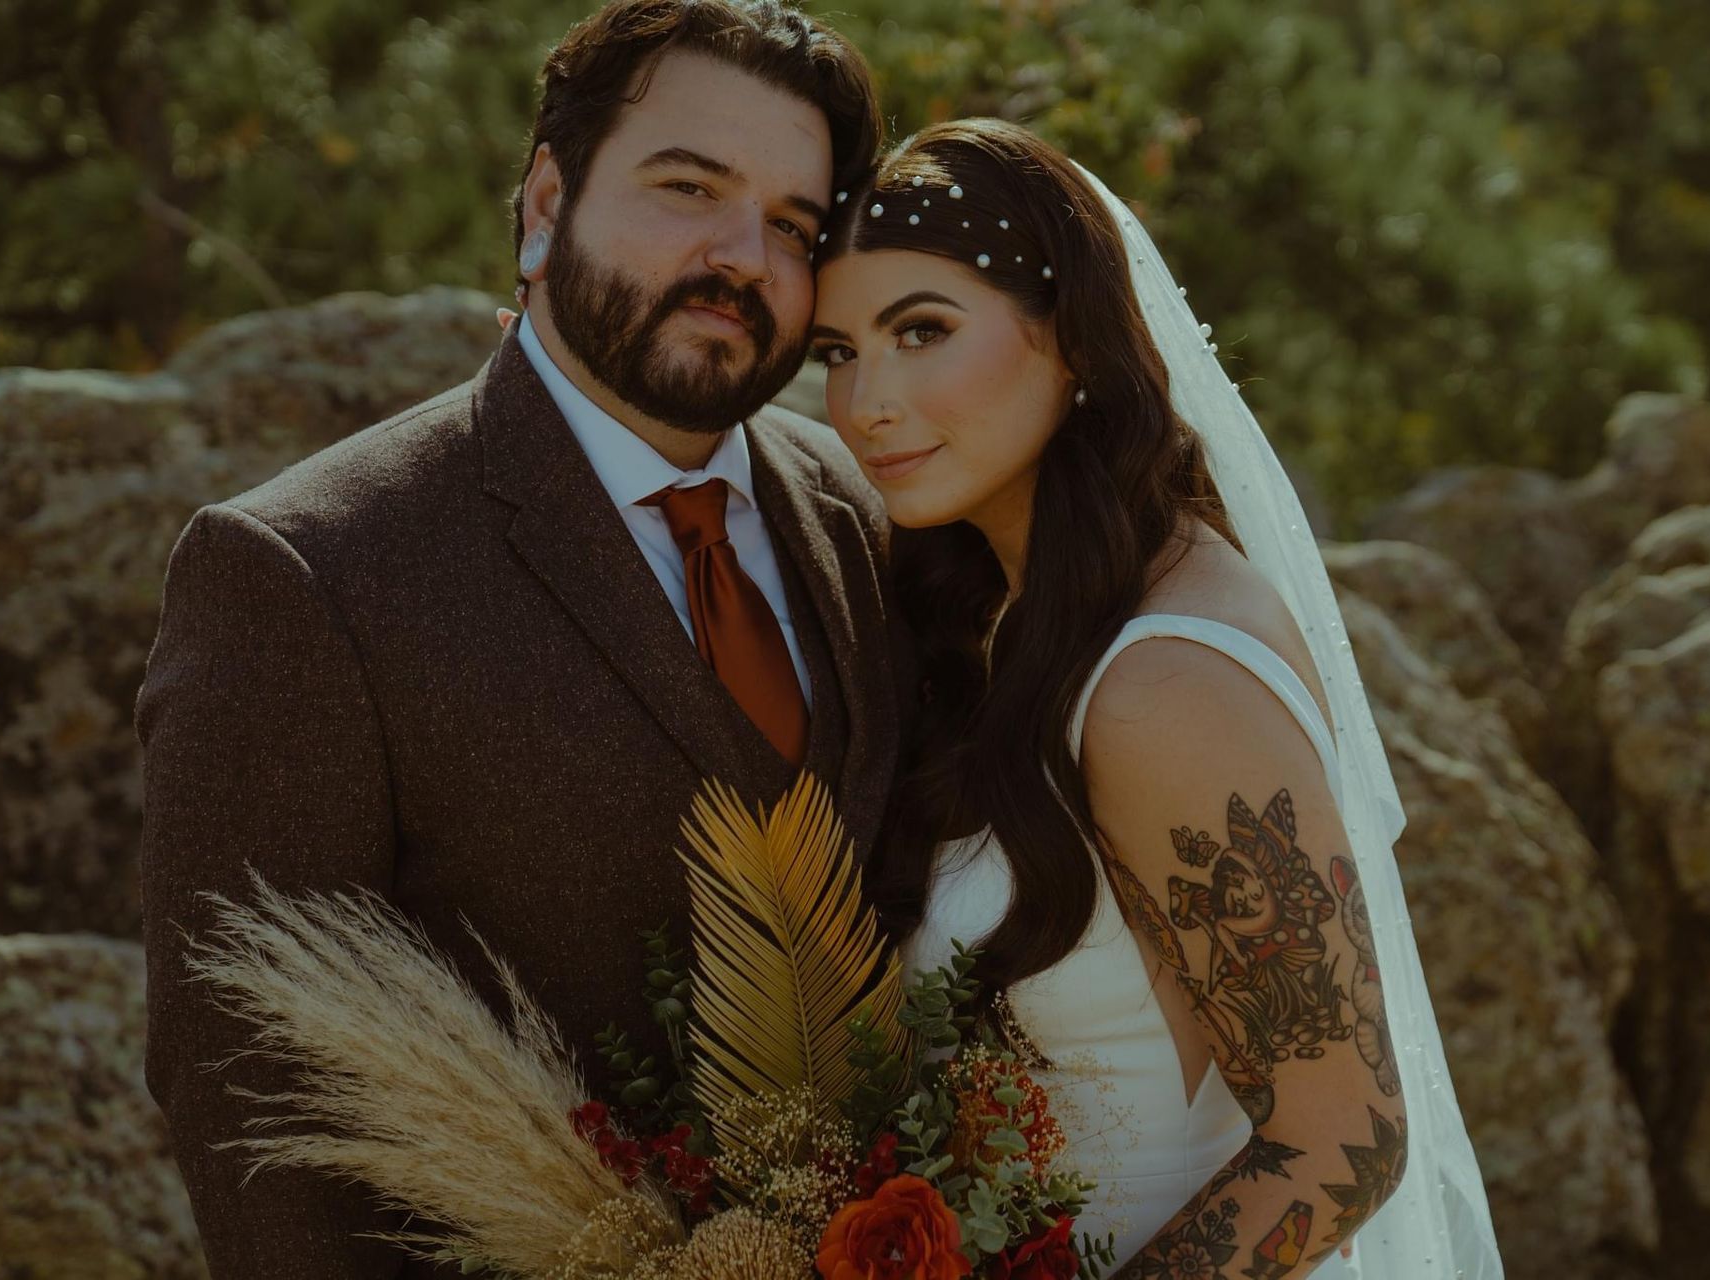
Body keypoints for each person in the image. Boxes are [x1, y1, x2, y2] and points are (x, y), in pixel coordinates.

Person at [134, 3, 909, 1275]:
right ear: (548, 203)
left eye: (792, 224)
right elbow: (253, 1107)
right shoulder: (304, 570)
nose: (740, 256)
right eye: (688, 187)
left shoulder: (877, 516)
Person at [807, 119, 1505, 1278]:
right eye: (837, 350)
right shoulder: (1004, 613)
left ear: (1074, 338)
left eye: (921, 330)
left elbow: (1344, 1140)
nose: (867, 400)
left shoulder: (1159, 680)